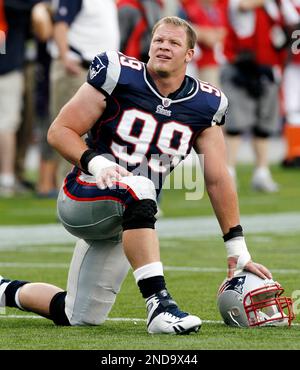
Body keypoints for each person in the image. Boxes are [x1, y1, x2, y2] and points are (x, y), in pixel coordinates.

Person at [0, 16, 272, 335]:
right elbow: (60, 131)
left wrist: (237, 248)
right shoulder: (119, 75)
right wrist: (98, 164)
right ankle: (160, 305)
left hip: (130, 217)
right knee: (141, 185)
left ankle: (3, 290)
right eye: (158, 40)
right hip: (84, 194)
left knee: (79, 314)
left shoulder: (206, 104)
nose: (163, 47)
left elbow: (216, 178)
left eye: (173, 43)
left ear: (190, 54)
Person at [220, 0, 299, 192]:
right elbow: (244, 6)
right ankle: (228, 172)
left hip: (267, 69)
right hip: (241, 68)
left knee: (263, 127)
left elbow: (293, 21)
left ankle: (262, 172)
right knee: (235, 125)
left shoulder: (278, 5)